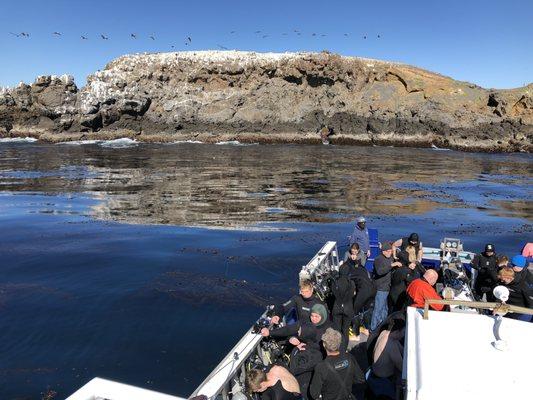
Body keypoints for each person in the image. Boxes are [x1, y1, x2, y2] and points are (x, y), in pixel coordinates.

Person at [262, 304, 331, 397]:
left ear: (323, 316)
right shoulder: (306, 323)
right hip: (306, 355)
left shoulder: (328, 329)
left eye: (316, 316)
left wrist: (300, 348)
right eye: (312, 315)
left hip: (316, 360)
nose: (313, 319)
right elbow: (289, 329)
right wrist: (271, 332)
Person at [309, 328, 364, 400]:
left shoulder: (321, 366)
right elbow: (360, 379)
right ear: (339, 343)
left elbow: (314, 394)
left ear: (324, 344)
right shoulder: (350, 358)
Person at [340, 252, 376, 338]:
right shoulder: (362, 268)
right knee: (366, 310)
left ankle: (355, 333)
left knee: (354, 311)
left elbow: (348, 285)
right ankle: (367, 328)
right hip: (373, 289)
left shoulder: (350, 272)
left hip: (365, 291)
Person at [367, 319, 405, 400]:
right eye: (403, 332)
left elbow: (401, 348)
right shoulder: (391, 346)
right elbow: (402, 368)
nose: (403, 335)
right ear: (397, 331)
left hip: (374, 373)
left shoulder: (384, 333)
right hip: (382, 381)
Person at [370, 243, 402, 331]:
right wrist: (391, 265)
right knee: (378, 309)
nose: (390, 253)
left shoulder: (391, 258)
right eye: (389, 251)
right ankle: (373, 329)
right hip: (381, 288)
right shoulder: (378, 259)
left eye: (391, 251)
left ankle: (382, 327)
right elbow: (380, 271)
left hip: (388, 288)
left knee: (385, 309)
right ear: (383, 251)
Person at [331, 268, 355, 352]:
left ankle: (337, 348)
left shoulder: (335, 282)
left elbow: (333, 292)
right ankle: (344, 349)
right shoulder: (351, 283)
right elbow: (352, 294)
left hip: (337, 307)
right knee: (345, 329)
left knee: (337, 329)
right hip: (348, 308)